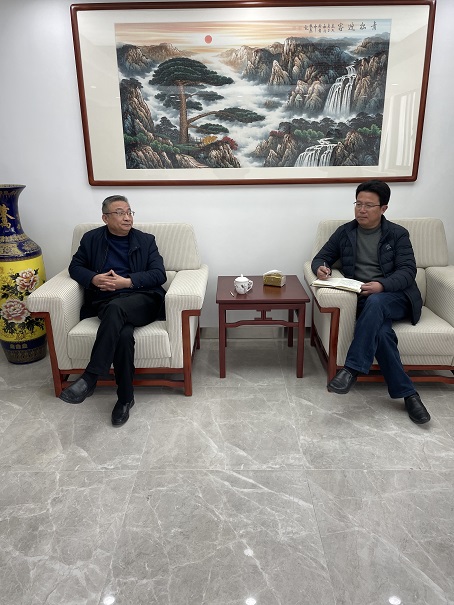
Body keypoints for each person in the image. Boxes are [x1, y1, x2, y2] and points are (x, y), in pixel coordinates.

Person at [311, 180, 430, 425]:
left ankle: (351, 369)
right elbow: (321, 257)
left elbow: (408, 271)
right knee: (383, 334)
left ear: (383, 208)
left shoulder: (397, 234)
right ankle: (409, 395)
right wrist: (321, 268)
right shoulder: (345, 232)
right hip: (364, 300)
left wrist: (382, 285)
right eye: (358, 204)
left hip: (397, 297)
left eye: (368, 205)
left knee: (376, 301)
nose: (361, 210)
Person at [59, 195, 166, 426]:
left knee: (117, 308)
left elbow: (159, 274)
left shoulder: (146, 240)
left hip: (143, 299)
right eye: (120, 213)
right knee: (123, 334)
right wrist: (94, 278)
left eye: (129, 212)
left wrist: (127, 282)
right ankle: (125, 399)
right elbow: (75, 267)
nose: (127, 217)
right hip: (106, 302)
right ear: (105, 218)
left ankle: (90, 377)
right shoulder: (91, 239)